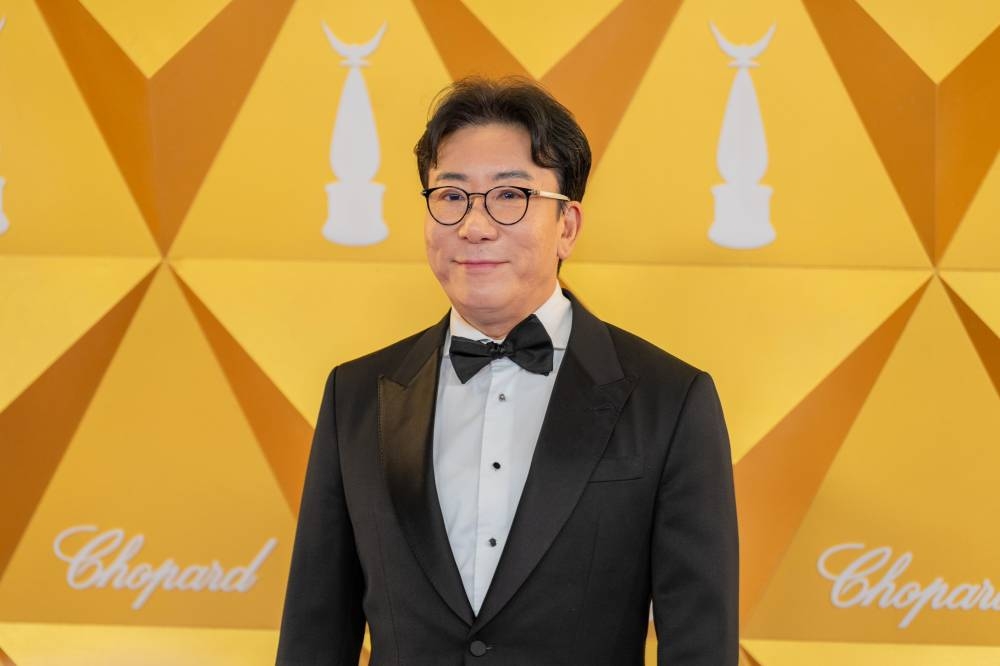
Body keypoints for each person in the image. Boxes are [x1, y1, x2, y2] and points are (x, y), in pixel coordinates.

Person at [276, 77, 738, 665]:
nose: (475, 225)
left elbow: (700, 644)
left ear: (567, 226)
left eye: (510, 195)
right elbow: (314, 635)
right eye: (451, 195)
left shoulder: (670, 400)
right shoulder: (357, 396)